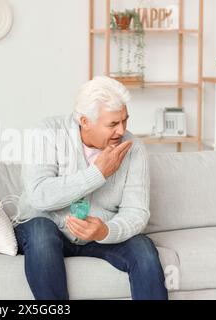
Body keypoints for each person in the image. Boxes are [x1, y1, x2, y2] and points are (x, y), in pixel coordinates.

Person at [15, 76, 168, 300]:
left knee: (143, 248)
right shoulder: (47, 132)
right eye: (113, 124)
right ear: (84, 121)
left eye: (125, 120)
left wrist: (106, 231)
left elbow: (137, 212)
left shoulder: (133, 149)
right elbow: (39, 195)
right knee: (41, 232)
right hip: (47, 227)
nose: (121, 130)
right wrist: (98, 174)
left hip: (99, 234)